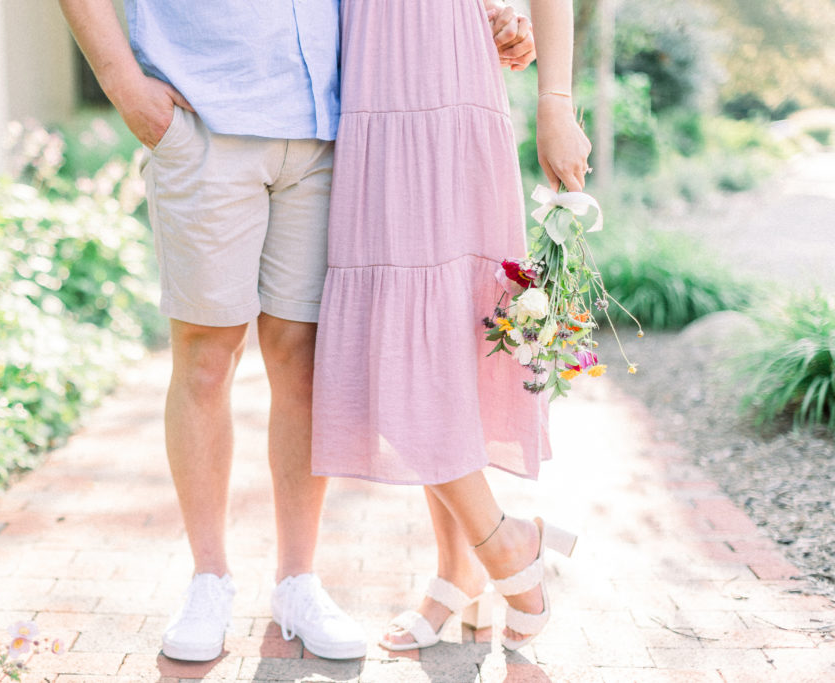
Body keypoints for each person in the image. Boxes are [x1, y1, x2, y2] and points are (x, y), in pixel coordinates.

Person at [57, 0, 536, 663]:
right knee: (205, 357)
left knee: (304, 361)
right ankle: (208, 580)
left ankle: (298, 581)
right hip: (202, 114)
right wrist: (123, 85)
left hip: (326, 125)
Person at [311, 0, 591, 652]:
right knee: (413, 326)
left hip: (445, 72)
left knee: (433, 327)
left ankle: (491, 545)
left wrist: (555, 99)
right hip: (369, 82)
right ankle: (464, 562)